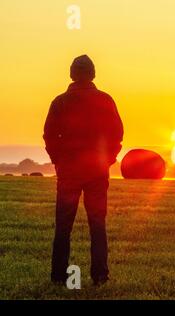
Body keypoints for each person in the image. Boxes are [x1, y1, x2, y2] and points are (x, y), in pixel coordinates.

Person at [43, 55, 123, 285]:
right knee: (98, 224)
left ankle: (59, 276)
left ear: (71, 74)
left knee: (63, 226)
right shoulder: (105, 100)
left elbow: (49, 135)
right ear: (94, 74)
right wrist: (108, 159)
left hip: (69, 171)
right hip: (97, 171)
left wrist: (58, 160)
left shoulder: (60, 102)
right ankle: (100, 275)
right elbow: (117, 133)